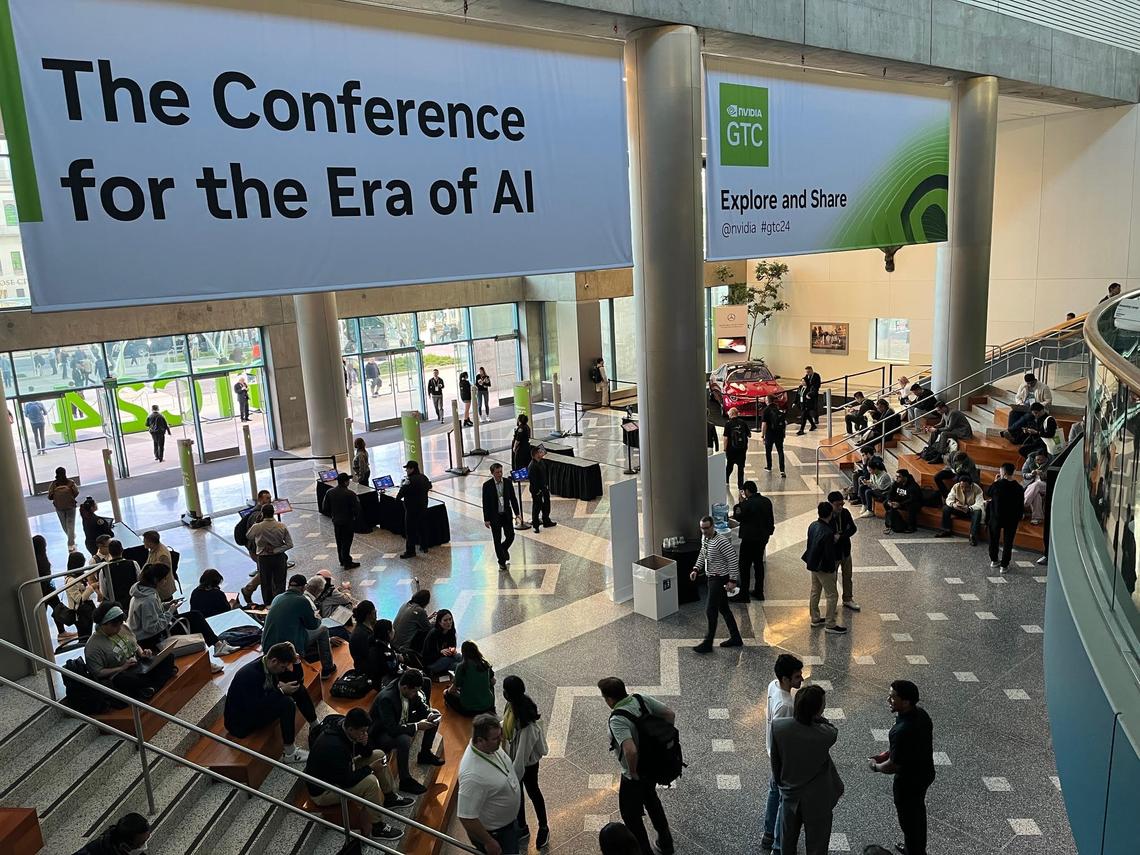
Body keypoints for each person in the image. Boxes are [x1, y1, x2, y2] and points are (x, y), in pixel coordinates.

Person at [597, 677, 675, 855]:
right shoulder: (640, 699)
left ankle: (643, 851)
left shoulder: (617, 719)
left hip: (635, 774)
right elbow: (670, 714)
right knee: (651, 800)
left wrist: (632, 772)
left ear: (609, 699)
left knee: (631, 817)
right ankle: (665, 841)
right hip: (653, 765)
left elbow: (630, 750)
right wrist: (663, 742)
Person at [304, 708, 406, 842]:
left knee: (379, 755)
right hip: (324, 790)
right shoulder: (334, 746)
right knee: (370, 782)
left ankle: (389, 797)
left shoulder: (345, 727)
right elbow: (346, 781)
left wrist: (364, 743)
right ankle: (377, 827)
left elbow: (367, 754)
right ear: (351, 729)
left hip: (340, 773)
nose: (365, 733)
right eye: (362, 731)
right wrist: (370, 768)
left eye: (366, 730)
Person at [771, 685, 844, 855]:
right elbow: (832, 728)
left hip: (790, 794)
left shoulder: (778, 727)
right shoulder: (826, 735)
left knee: (787, 841)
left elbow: (776, 762)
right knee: (817, 844)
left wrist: (782, 784)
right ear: (817, 710)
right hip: (819, 797)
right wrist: (818, 718)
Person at [869, 680, 935, 855]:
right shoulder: (921, 715)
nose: (888, 700)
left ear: (906, 701)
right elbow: (909, 748)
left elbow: (892, 766)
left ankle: (914, 851)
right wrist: (889, 753)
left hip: (908, 782)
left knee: (909, 819)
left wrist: (876, 766)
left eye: (892, 697)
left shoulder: (902, 730)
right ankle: (913, 848)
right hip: (925, 773)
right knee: (917, 814)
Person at [224, 642, 317, 764]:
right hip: (241, 723)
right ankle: (290, 753)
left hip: (258, 706)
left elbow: (297, 681)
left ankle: (316, 726)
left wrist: (296, 660)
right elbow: (255, 706)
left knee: (298, 689)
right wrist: (281, 690)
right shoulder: (249, 675)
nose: (284, 670)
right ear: (274, 661)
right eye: (283, 667)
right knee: (286, 704)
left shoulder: (270, 665)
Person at [127, 563, 234, 665]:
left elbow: (152, 611)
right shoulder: (148, 599)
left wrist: (167, 605)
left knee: (194, 616)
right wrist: (170, 612)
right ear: (156, 580)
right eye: (164, 578)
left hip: (146, 634)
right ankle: (213, 651)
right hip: (149, 638)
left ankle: (215, 649)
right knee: (193, 622)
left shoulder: (142, 592)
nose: (165, 581)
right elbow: (151, 627)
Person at [368, 669, 443, 795]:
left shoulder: (409, 691)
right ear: (404, 688)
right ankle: (405, 780)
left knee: (434, 715)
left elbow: (419, 705)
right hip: (382, 734)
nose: (416, 694)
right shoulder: (386, 699)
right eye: (414, 691)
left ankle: (425, 753)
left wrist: (428, 714)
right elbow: (392, 729)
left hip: (403, 719)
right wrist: (416, 726)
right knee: (404, 739)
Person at [458, 713, 522, 855]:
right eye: (496, 738)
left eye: (500, 735)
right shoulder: (472, 776)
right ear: (480, 740)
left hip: (509, 824)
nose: (501, 739)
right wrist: (488, 842)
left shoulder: (490, 747)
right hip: (496, 835)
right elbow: (466, 817)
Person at [85, 602, 174, 700]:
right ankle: (155, 683)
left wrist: (142, 653)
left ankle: (151, 688)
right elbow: (98, 672)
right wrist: (122, 667)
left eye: (120, 624)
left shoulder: (123, 627)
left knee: (168, 657)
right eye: (114, 626)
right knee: (127, 680)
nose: (118, 629)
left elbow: (135, 644)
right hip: (120, 674)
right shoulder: (93, 646)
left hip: (138, 665)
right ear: (103, 624)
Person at [501, 675, 549, 848]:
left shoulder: (526, 723)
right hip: (513, 759)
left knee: (533, 791)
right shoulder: (511, 705)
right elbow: (505, 724)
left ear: (509, 693)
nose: (503, 693)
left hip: (527, 764)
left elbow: (522, 757)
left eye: (505, 690)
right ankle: (521, 826)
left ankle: (543, 826)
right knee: (518, 794)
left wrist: (511, 778)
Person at [762, 654, 804, 853]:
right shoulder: (787, 705)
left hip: (773, 754)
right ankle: (778, 847)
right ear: (785, 679)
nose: (801, 679)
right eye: (797, 676)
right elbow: (785, 738)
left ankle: (767, 835)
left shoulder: (773, 686)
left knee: (773, 793)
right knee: (783, 803)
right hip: (783, 760)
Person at [261, 574, 336, 678]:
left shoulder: (277, 598)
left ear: (289, 585)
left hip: (267, 646)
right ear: (303, 587)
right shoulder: (302, 600)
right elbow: (313, 626)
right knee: (323, 630)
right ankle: (328, 668)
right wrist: (318, 618)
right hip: (289, 647)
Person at [689, 515, 742, 653]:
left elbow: (732, 559)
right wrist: (696, 568)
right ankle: (736, 637)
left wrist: (732, 580)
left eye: (707, 528)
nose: (704, 531)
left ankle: (708, 642)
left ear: (712, 527)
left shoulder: (721, 542)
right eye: (702, 528)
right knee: (724, 608)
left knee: (710, 609)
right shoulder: (705, 539)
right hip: (711, 577)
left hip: (718, 578)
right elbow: (703, 553)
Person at [802, 503, 846, 635]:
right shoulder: (828, 532)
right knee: (832, 595)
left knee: (815, 590)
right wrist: (831, 569)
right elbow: (828, 554)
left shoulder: (813, 525)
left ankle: (815, 618)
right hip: (823, 567)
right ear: (830, 514)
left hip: (813, 563)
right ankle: (830, 624)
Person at [733, 481, 774, 601]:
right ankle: (759, 591)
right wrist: (769, 533)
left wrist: (740, 503)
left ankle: (744, 594)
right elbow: (770, 519)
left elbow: (738, 516)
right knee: (758, 563)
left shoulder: (746, 504)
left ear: (746, 491)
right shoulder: (766, 501)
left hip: (749, 539)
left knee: (744, 565)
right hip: (762, 539)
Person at [248, 503, 293, 603]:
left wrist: (256, 522)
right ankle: (281, 603)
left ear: (262, 514)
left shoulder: (257, 527)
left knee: (266, 583)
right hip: (279, 557)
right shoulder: (281, 526)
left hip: (264, 559)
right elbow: (290, 544)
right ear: (273, 513)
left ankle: (268, 605)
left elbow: (249, 536)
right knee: (280, 583)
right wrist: (275, 550)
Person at [32, 535, 73, 641]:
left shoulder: (36, 558)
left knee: (56, 608)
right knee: (55, 609)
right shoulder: (40, 559)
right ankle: (60, 632)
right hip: (46, 589)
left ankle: (61, 632)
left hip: (46, 589)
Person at [483, 463, 523, 571]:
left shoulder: (508, 482)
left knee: (510, 536)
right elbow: (485, 503)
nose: (500, 474)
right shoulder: (487, 486)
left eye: (501, 471)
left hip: (506, 515)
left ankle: (503, 549)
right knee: (497, 539)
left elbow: (513, 499)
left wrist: (517, 513)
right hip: (494, 517)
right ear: (492, 473)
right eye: (497, 472)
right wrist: (486, 519)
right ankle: (501, 562)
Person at [987, 463, 1025, 571]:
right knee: (1008, 542)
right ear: (1013, 472)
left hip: (996, 517)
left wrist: (995, 482)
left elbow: (988, 493)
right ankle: (1004, 565)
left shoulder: (997, 485)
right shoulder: (1018, 488)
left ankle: (994, 560)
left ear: (1003, 472)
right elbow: (1021, 505)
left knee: (994, 539)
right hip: (1011, 518)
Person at [829, 491, 861, 612]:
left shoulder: (845, 513)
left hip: (845, 550)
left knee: (847, 576)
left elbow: (853, 528)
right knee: (832, 578)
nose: (840, 507)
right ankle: (832, 603)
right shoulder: (828, 515)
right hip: (834, 553)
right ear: (831, 504)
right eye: (838, 505)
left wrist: (841, 536)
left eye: (842, 504)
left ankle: (848, 598)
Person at [323, 472, 362, 570]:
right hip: (348, 522)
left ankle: (341, 560)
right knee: (347, 542)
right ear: (345, 482)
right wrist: (354, 517)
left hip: (336, 522)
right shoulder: (350, 494)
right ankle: (347, 562)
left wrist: (333, 515)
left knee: (339, 541)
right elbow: (357, 509)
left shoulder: (330, 492)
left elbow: (324, 508)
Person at [445, 640, 496, 715]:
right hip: (487, 705)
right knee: (491, 686)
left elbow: (452, 690)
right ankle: (492, 706)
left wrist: (447, 691)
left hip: (469, 708)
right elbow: (493, 682)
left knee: (447, 694)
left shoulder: (461, 667)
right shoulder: (485, 663)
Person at [397, 460, 432, 559]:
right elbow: (429, 486)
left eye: (407, 468)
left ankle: (410, 551)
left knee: (410, 530)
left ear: (412, 469)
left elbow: (401, 493)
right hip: (423, 507)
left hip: (412, 510)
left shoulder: (409, 480)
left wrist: (398, 497)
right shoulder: (423, 477)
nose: (406, 470)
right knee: (422, 527)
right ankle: (424, 547)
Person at [937, 475, 985, 545]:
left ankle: (973, 536)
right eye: (962, 487)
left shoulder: (977, 489)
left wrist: (969, 508)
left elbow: (980, 504)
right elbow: (949, 499)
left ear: (971, 485)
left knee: (978, 512)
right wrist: (954, 505)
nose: (963, 489)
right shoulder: (956, 486)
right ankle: (946, 530)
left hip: (970, 511)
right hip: (959, 508)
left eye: (966, 487)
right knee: (946, 508)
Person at [75, 812, 151, 855]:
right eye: (140, 843)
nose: (144, 846)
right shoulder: (97, 851)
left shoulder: (121, 842)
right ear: (125, 845)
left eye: (147, 839)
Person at [64, 551, 97, 640]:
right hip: (80, 613)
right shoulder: (71, 580)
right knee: (84, 636)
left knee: (87, 634)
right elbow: (79, 599)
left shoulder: (79, 575)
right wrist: (91, 588)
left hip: (86, 610)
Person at [421, 608, 461, 676]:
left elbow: (452, 646)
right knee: (455, 661)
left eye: (450, 619)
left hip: (445, 660)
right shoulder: (433, 634)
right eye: (445, 620)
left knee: (458, 661)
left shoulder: (451, 631)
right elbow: (427, 657)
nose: (448, 622)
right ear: (439, 622)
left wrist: (452, 650)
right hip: (432, 664)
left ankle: (472, 666)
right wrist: (440, 652)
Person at [48, 467, 79, 550]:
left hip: (59, 507)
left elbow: (50, 496)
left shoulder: (54, 484)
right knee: (71, 524)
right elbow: (76, 492)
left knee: (64, 525)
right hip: (71, 506)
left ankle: (71, 538)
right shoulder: (70, 482)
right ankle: (71, 542)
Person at [392, 589, 432, 653]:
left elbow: (411, 620)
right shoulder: (419, 611)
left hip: (393, 644)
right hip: (403, 647)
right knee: (430, 632)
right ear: (426, 602)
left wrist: (427, 618)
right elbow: (428, 628)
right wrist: (436, 622)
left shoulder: (405, 604)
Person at [527, 446, 555, 533]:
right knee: (537, 507)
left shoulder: (541, 462)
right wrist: (538, 491)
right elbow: (533, 481)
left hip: (544, 488)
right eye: (540, 452)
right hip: (537, 490)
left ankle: (546, 520)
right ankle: (536, 526)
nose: (542, 453)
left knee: (546, 505)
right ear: (536, 454)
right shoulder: (532, 466)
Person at [141, 530, 176, 600]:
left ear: (151, 542)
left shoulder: (162, 555)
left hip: (163, 590)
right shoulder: (153, 549)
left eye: (145, 540)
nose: (143, 542)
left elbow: (162, 574)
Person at [723, 407, 751, 490]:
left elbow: (726, 438)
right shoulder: (743, 422)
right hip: (742, 450)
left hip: (731, 450)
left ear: (731, 414)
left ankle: (726, 480)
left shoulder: (728, 424)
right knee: (740, 468)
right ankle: (740, 486)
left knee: (729, 466)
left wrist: (725, 448)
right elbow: (749, 434)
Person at [795, 366, 822, 434]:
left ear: (811, 370)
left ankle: (802, 429)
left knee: (811, 410)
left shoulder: (816, 376)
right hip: (806, 399)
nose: (807, 373)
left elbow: (816, 386)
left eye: (808, 372)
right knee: (806, 414)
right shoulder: (806, 377)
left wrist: (810, 393)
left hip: (813, 395)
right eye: (806, 372)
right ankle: (813, 425)